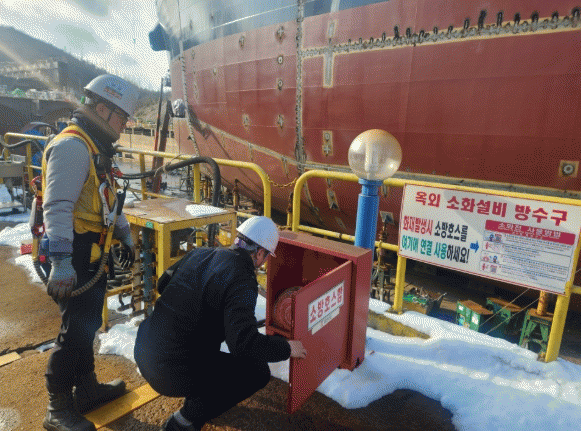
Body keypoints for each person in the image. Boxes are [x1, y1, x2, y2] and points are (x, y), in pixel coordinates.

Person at [134, 216, 307, 431]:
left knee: (204, 343)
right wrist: (286, 348)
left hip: (143, 349)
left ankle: (199, 394)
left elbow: (163, 284)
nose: (263, 263)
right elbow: (243, 344)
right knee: (257, 372)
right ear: (259, 253)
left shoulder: (200, 253)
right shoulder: (243, 279)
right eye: (266, 257)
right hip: (169, 372)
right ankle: (185, 420)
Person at [37, 74, 139, 431]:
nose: (124, 125)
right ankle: (57, 408)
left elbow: (107, 197)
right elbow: (57, 207)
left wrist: (125, 235)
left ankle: (87, 389)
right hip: (73, 253)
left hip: (90, 252)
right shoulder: (72, 146)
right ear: (103, 109)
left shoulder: (94, 147)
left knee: (86, 325)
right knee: (73, 333)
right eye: (122, 117)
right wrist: (62, 262)